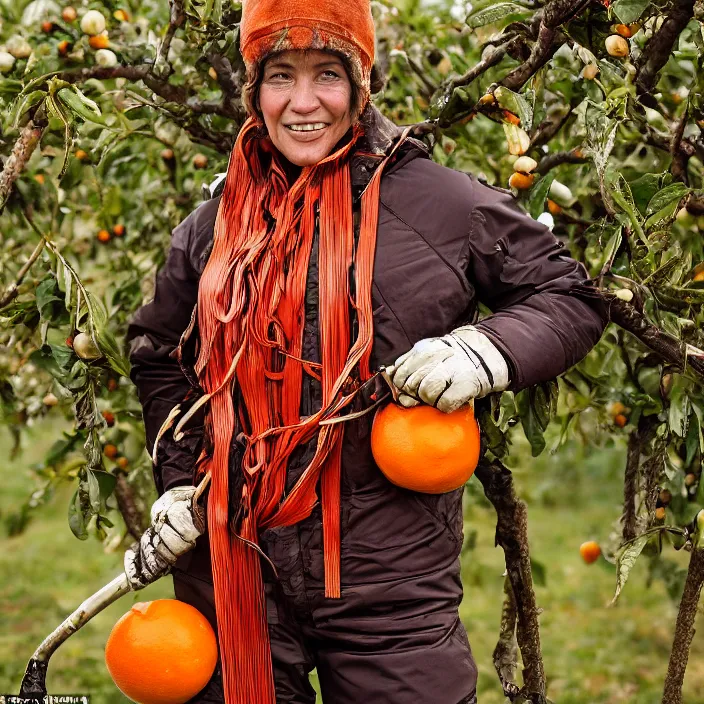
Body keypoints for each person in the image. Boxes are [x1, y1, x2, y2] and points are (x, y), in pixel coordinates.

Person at [124, 1, 608, 702]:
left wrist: (484, 350)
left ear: (362, 83)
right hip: (233, 581)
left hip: (390, 584)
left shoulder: (439, 203)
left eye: (327, 73)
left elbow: (568, 295)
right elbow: (160, 351)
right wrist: (177, 478)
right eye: (279, 75)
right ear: (253, 90)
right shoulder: (213, 225)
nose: (302, 102)